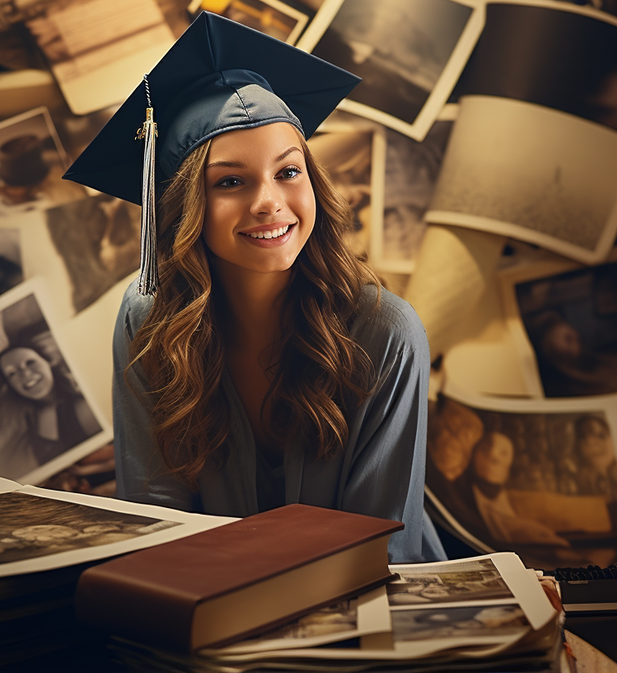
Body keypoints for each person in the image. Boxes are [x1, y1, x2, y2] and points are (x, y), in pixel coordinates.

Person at [63, 13, 444, 562]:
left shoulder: (385, 334)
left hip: (370, 613)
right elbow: (154, 515)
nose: (268, 201)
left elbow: (379, 546)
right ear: (186, 206)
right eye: (231, 182)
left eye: (288, 172)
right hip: (206, 607)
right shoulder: (147, 316)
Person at [0, 325, 101, 481]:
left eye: (30, 362)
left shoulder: (84, 407)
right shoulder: (28, 422)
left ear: (48, 362)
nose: (25, 373)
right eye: (12, 373)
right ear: (10, 385)